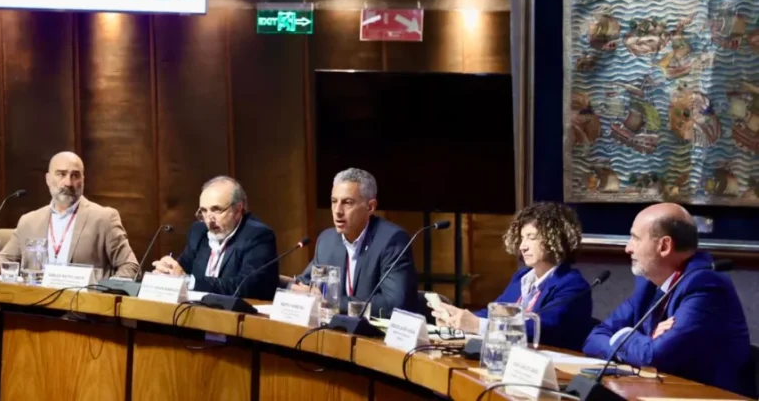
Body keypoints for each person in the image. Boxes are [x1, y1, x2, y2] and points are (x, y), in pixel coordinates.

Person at [582, 203, 754, 398]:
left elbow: (654, 356)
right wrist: (646, 340)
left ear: (664, 246)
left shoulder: (706, 284)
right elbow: (594, 337)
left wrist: (622, 336)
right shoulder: (648, 284)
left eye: (635, 238)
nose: (627, 248)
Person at [428, 202, 593, 351]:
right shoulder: (522, 277)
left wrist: (478, 325)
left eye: (531, 238)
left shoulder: (573, 285)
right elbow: (496, 312)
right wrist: (457, 319)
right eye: (521, 238)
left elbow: (541, 327)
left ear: (556, 239)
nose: (522, 246)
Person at [0, 151, 140, 280]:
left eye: (75, 175)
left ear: (83, 180)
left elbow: (130, 266)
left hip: (84, 313)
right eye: (61, 174)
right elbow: (5, 261)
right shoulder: (29, 221)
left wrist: (104, 293)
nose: (68, 182)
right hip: (37, 308)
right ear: (48, 179)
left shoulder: (103, 218)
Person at [292, 168, 418, 317]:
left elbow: (393, 304)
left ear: (370, 207)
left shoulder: (391, 241)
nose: (337, 211)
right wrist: (294, 288)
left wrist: (332, 301)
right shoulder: (327, 241)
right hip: (334, 327)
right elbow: (303, 284)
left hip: (377, 330)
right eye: (334, 201)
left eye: (347, 202)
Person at [151, 176, 278, 300]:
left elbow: (245, 286)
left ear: (238, 210)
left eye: (216, 210)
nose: (209, 219)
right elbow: (183, 268)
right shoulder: (198, 232)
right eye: (204, 211)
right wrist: (168, 271)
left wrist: (190, 281)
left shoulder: (257, 235)